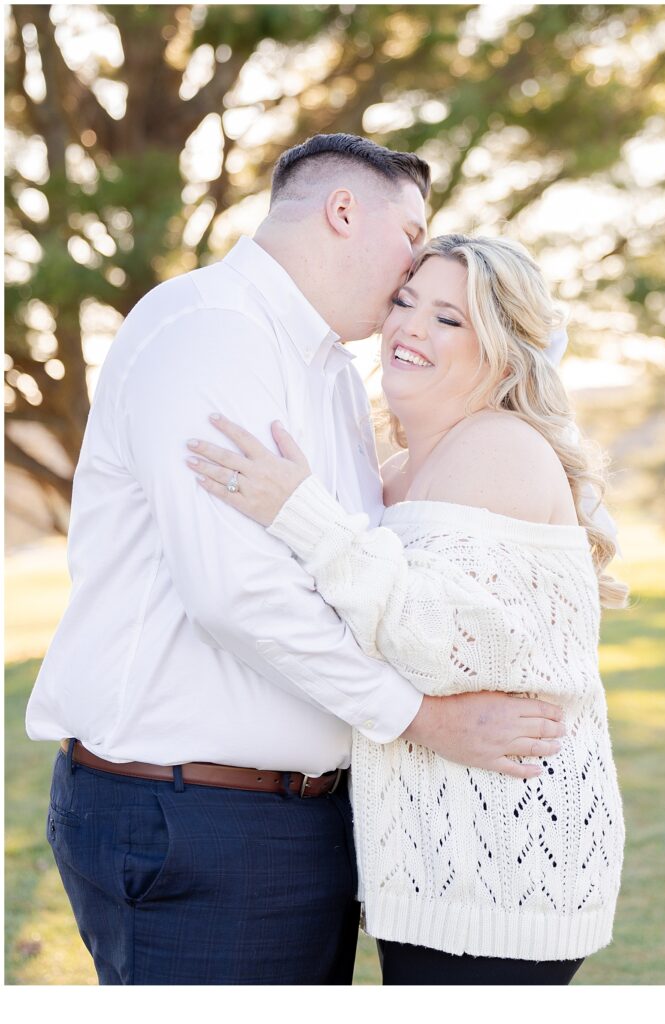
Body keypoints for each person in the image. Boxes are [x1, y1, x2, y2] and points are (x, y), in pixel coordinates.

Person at [25, 135, 566, 986]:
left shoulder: (332, 375)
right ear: (345, 212)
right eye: (411, 233)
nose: (416, 260)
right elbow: (236, 595)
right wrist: (420, 717)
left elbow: (359, 580)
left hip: (292, 823)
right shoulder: (211, 332)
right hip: (195, 818)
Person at [185, 233, 627, 985]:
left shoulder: (497, 446)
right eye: (405, 302)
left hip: (507, 866)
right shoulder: (397, 471)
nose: (411, 328)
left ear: (505, 351)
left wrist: (300, 512)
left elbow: (439, 641)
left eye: (450, 318)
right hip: (437, 865)